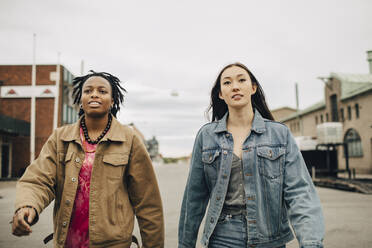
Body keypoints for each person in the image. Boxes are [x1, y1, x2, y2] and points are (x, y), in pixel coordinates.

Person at [11, 71, 164, 248]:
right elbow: (38, 180)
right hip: (68, 243)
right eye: (88, 90)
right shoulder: (60, 138)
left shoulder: (129, 139)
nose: (94, 94)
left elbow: (148, 203)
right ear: (81, 100)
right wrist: (27, 206)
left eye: (102, 91)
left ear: (113, 100)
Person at [178, 63, 324, 248]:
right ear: (221, 94)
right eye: (227, 82)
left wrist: (311, 242)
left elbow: (300, 192)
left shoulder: (279, 134)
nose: (235, 86)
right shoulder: (207, 136)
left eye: (241, 80)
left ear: (253, 88)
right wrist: (185, 244)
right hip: (223, 236)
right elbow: (193, 198)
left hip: (270, 237)